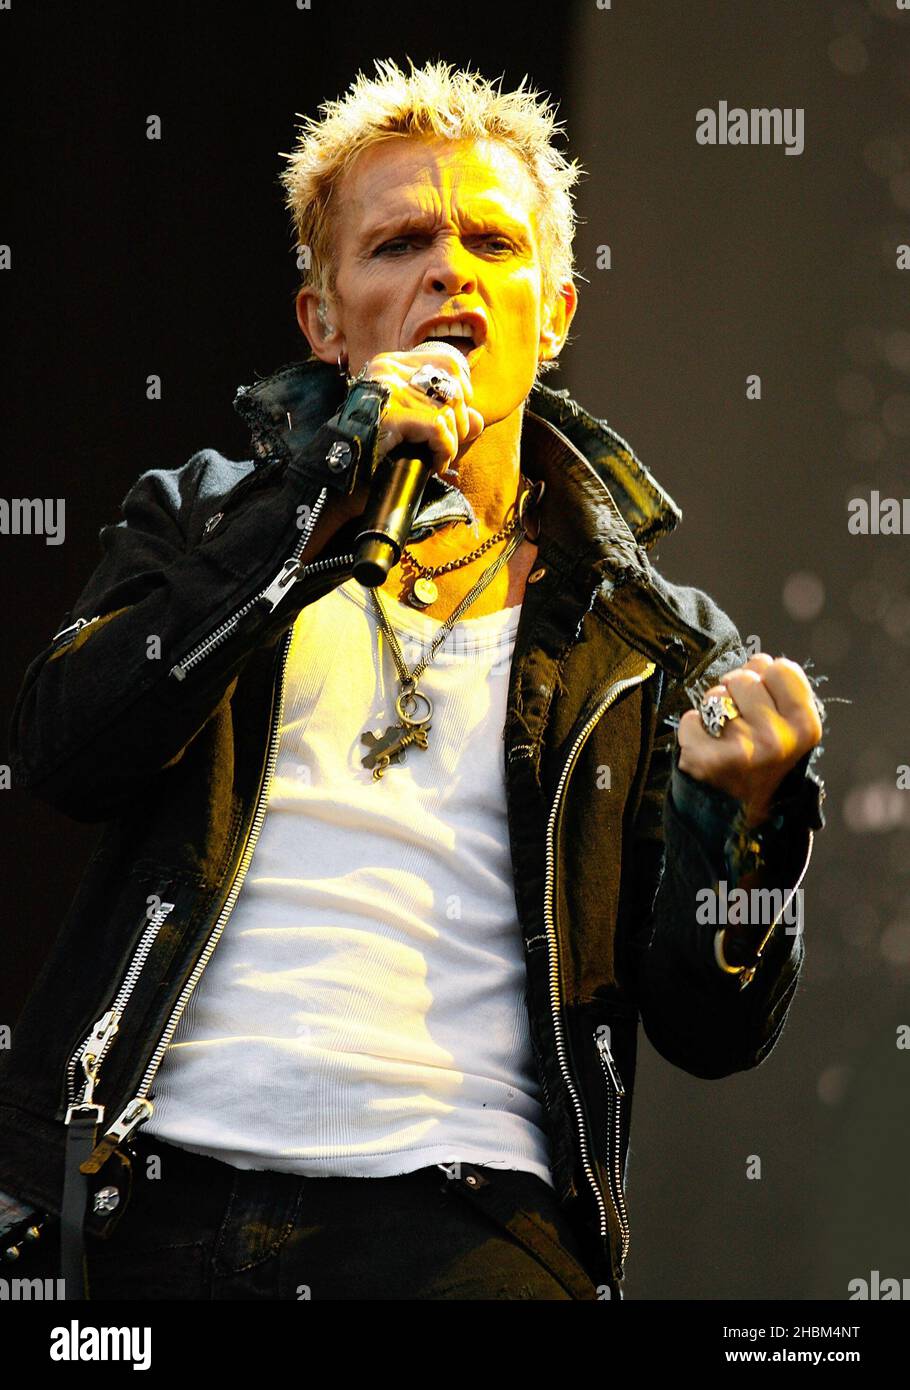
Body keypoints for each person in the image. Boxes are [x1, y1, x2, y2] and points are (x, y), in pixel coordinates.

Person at [0, 57, 826, 1302]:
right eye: (398, 244)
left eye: (492, 242)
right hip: (146, 1190)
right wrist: (307, 510)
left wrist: (744, 825)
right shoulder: (205, 521)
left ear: (552, 312)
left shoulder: (649, 642)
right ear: (322, 323)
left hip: (464, 1220)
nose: (449, 270)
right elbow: (66, 748)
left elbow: (715, 1031)